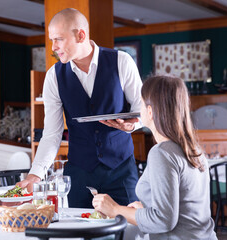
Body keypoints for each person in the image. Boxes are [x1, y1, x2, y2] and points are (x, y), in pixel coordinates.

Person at [18, 8, 142, 208]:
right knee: (78, 234)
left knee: (126, 231)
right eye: (51, 40)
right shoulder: (53, 76)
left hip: (121, 170)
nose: (53, 47)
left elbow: (141, 107)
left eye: (58, 39)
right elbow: (52, 133)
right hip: (79, 173)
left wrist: (133, 125)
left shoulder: (121, 61)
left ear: (80, 35)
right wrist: (36, 174)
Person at [92, 75, 217, 239]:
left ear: (150, 111)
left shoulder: (162, 153)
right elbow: (186, 207)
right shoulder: (194, 149)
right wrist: (145, 208)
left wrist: (115, 209)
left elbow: (163, 220)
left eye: (141, 103)